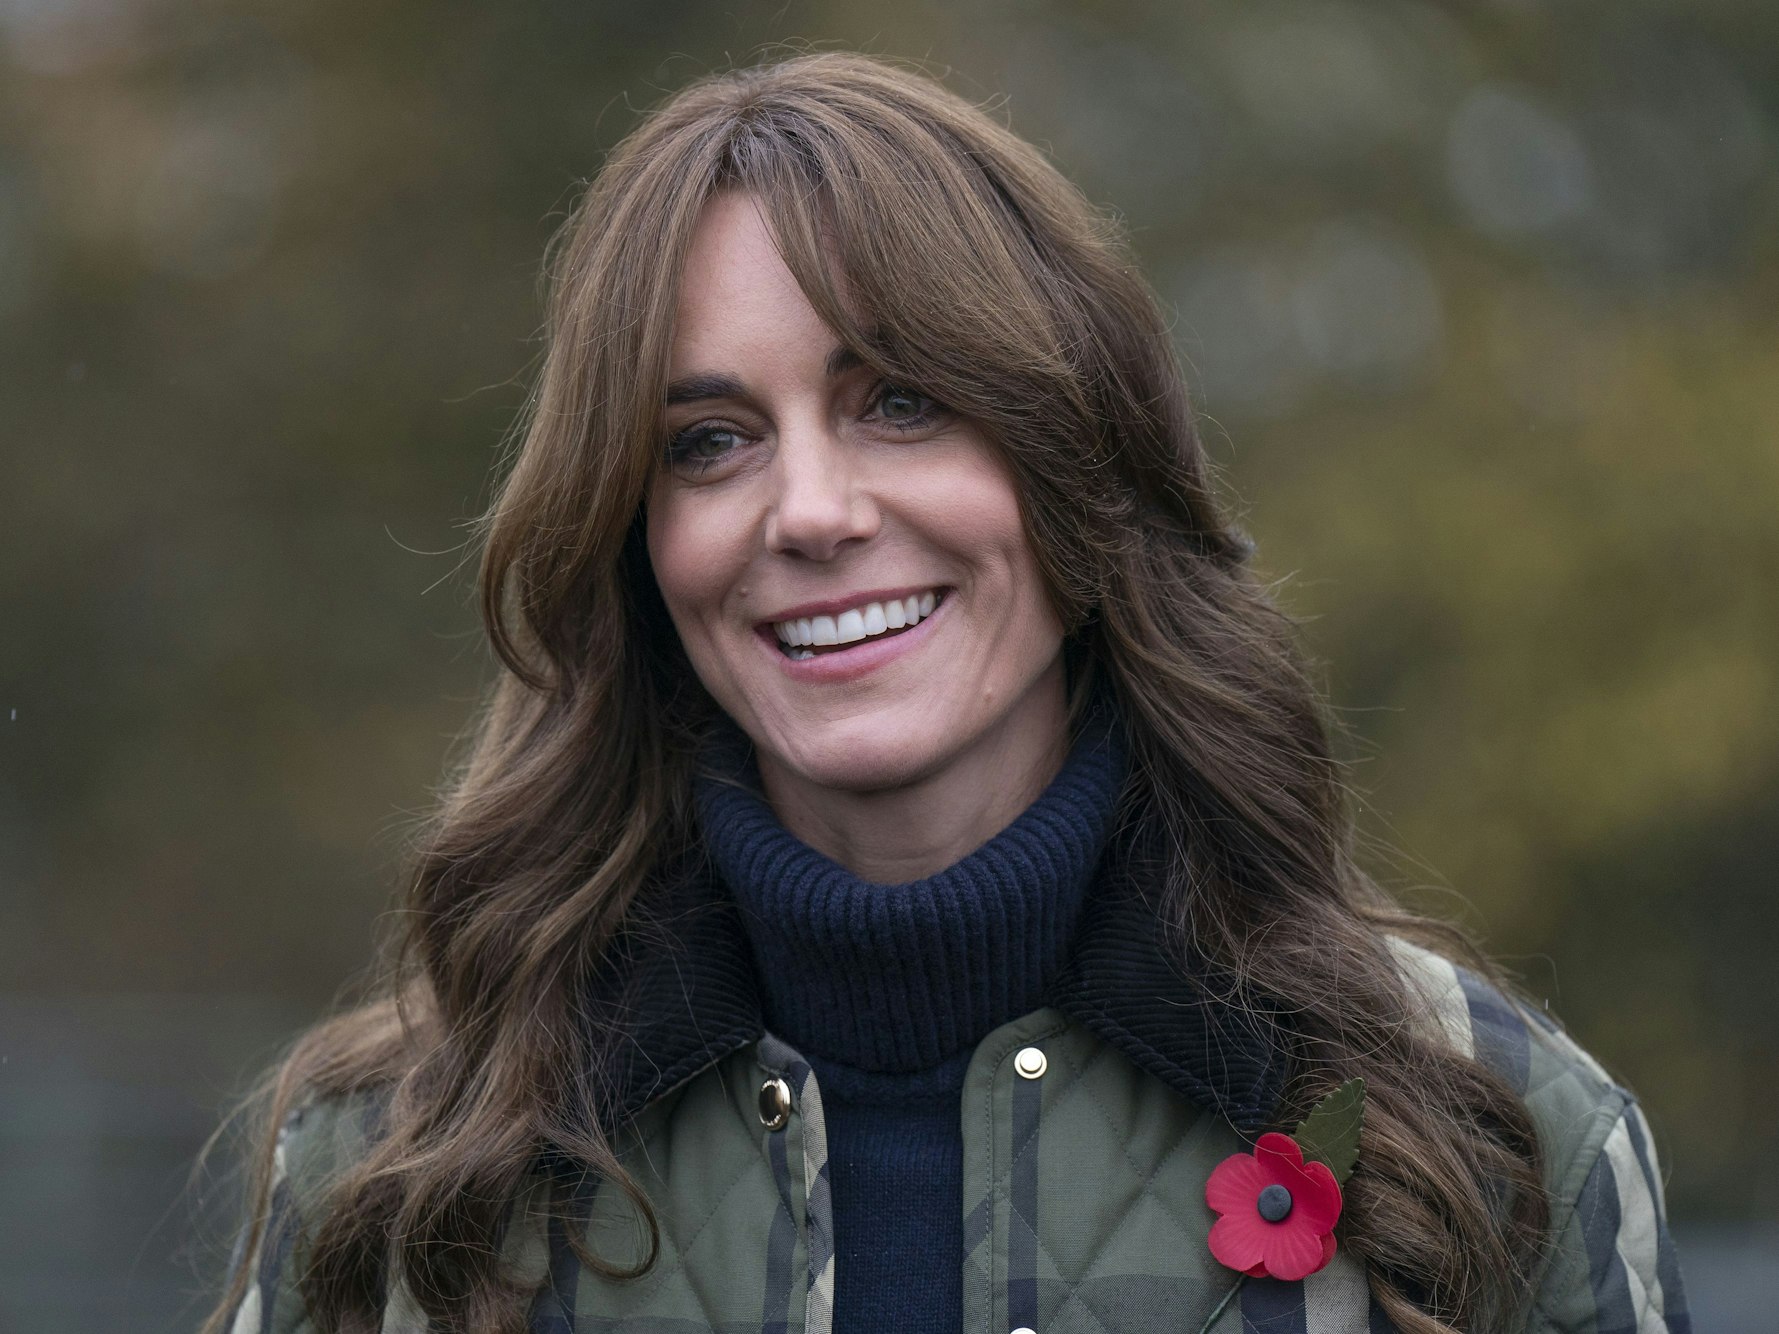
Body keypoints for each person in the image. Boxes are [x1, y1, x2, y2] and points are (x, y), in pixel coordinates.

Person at [207, 51, 1688, 1334]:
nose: (810, 509)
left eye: (901, 401)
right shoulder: (400, 1167)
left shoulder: (1488, 1132)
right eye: (710, 441)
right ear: (633, 537)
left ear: (1076, 458)